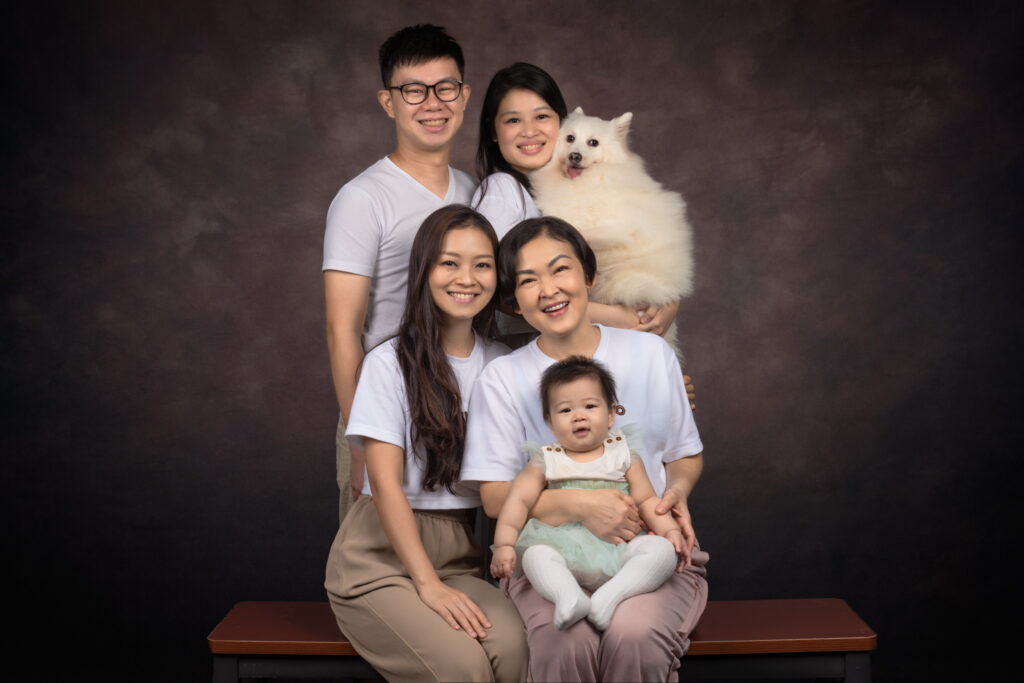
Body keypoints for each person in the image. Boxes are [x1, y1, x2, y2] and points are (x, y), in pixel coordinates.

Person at [462, 216, 708, 682]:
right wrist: (582, 505)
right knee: (562, 637)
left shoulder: (651, 354)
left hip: (643, 544)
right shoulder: (502, 378)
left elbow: (684, 453)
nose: (549, 289)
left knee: (633, 634)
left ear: (588, 277)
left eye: (561, 269)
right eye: (528, 280)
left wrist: (676, 490)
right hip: (550, 551)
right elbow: (495, 498)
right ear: (514, 301)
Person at [324, 205, 527, 682]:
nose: (467, 278)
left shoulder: (503, 365)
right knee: (463, 668)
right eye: (449, 262)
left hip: (459, 551)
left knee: (516, 650)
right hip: (377, 559)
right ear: (425, 271)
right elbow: (385, 484)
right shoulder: (389, 362)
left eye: (482, 264)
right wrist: (428, 585)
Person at [323, 24, 475, 521]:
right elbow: (342, 329)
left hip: (463, 408)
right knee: (380, 567)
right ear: (389, 102)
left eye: (445, 88)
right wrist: (360, 433)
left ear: (464, 95)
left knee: (462, 568)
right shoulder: (363, 197)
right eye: (414, 90)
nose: (433, 103)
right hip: (386, 409)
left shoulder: (475, 191)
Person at [472, 61, 682, 338]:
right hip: (531, 354)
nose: (529, 131)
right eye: (513, 120)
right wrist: (621, 319)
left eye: (542, 117)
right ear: (494, 132)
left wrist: (668, 306)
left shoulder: (563, 189)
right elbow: (492, 288)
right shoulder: (503, 190)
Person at [490, 356, 680, 632]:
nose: (579, 416)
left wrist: (669, 530)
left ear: (611, 413)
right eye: (565, 410)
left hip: (619, 550)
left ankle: (611, 595)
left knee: (661, 552)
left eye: (590, 406)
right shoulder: (546, 459)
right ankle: (567, 596)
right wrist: (505, 544)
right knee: (534, 556)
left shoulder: (624, 454)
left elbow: (647, 500)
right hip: (563, 553)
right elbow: (517, 501)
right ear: (550, 421)